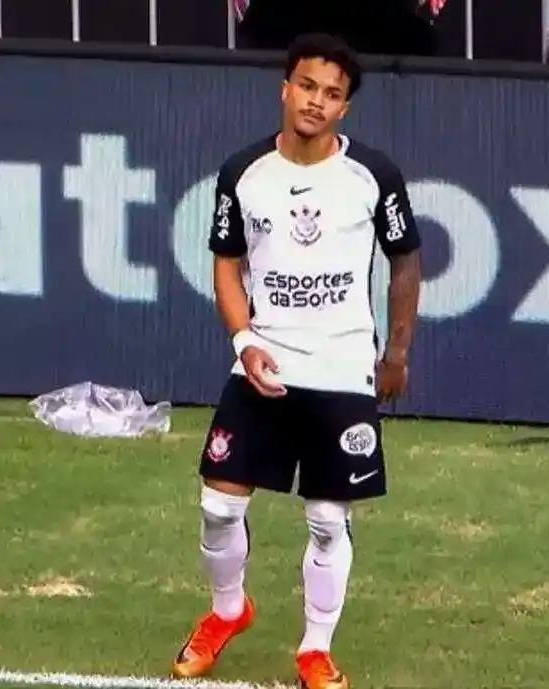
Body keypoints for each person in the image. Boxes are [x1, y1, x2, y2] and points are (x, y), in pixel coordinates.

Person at [171, 33, 422, 689]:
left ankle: (315, 649)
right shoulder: (243, 173)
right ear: (285, 88)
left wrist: (396, 349)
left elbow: (406, 259)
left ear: (344, 108)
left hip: (341, 368)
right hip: (264, 363)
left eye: (332, 94)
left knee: (326, 517)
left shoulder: (373, 176)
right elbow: (226, 265)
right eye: (307, 86)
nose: (317, 101)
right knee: (218, 506)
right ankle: (229, 610)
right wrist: (243, 341)